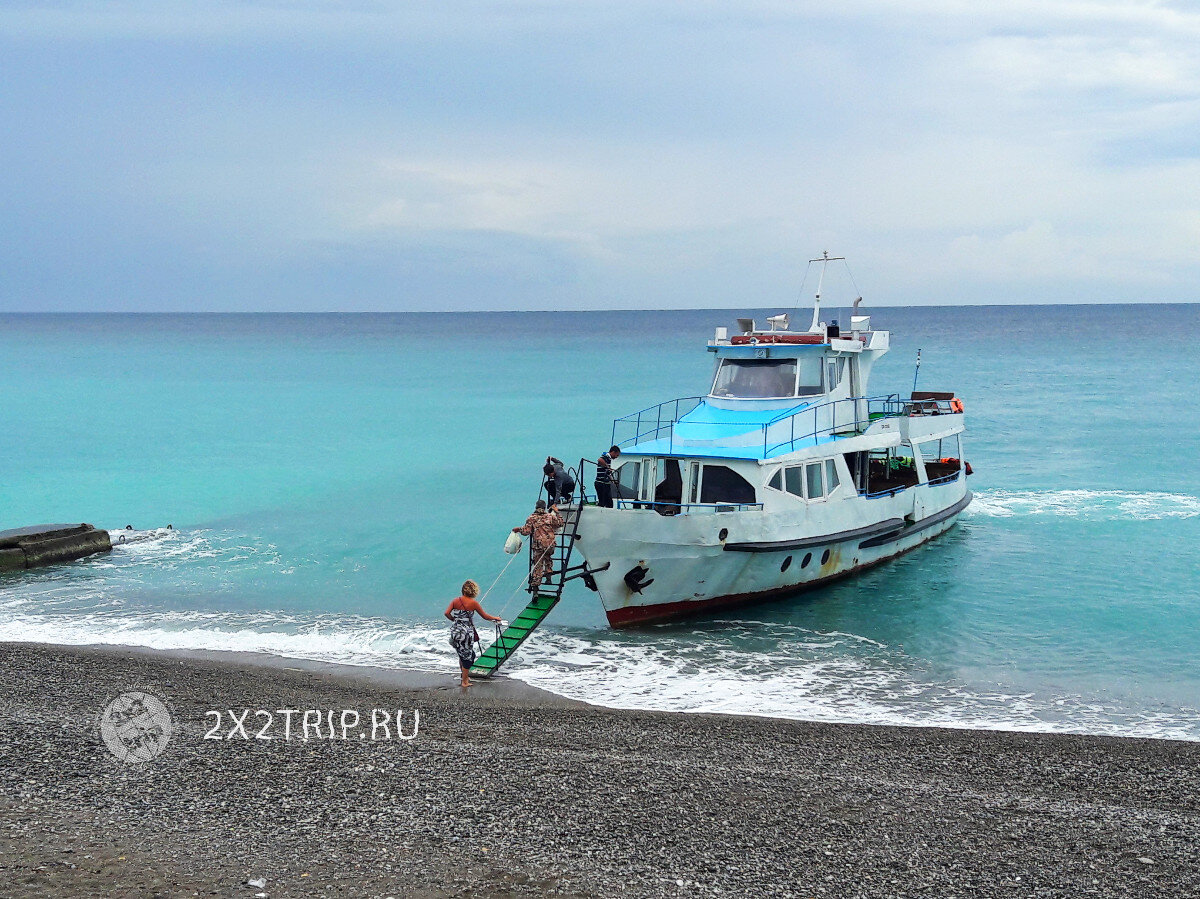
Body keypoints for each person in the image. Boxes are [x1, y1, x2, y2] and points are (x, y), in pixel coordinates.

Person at [444, 580, 502, 687]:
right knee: (469, 657)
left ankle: (464, 676)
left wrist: (454, 620)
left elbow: (446, 613)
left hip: (455, 632)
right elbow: (485, 616)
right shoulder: (474, 603)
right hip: (466, 634)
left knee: (462, 655)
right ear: (474, 591)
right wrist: (495, 618)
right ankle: (464, 682)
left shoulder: (455, 601)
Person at [513, 500, 565, 590]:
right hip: (550, 544)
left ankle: (536, 588)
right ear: (545, 508)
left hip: (539, 545)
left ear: (536, 507)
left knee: (538, 565)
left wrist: (518, 529)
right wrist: (556, 512)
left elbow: (526, 531)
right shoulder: (550, 516)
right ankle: (549, 577)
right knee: (548, 558)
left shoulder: (532, 518)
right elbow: (560, 524)